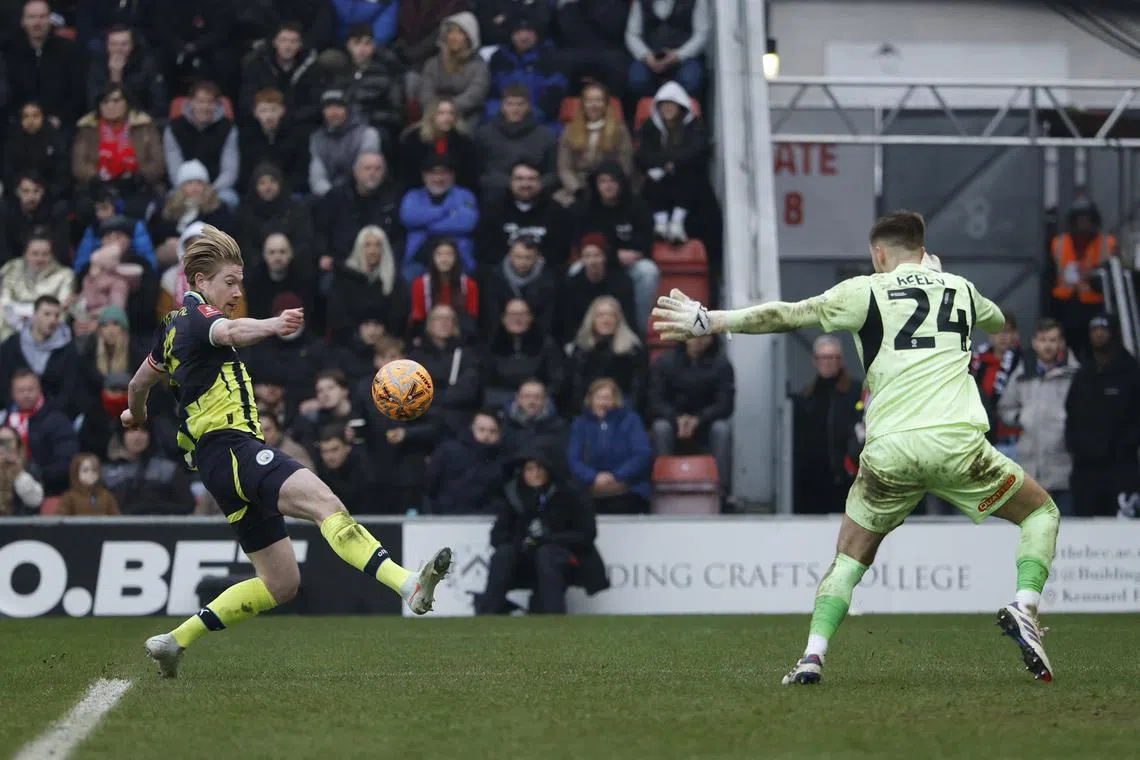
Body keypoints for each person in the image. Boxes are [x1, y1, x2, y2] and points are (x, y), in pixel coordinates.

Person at [652, 210, 1062, 685]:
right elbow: (994, 319)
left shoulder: (866, 289)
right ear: (923, 249)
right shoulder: (961, 288)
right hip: (957, 443)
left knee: (848, 558)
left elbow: (787, 314)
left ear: (878, 253)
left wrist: (712, 320)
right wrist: (939, 275)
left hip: (889, 450)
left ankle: (812, 656)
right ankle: (1025, 604)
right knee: (1040, 513)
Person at [123, 224, 452, 679]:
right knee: (326, 505)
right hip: (234, 449)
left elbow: (139, 383)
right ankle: (407, 583)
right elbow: (232, 330)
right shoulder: (201, 320)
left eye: (240, 282)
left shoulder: (169, 330)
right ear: (200, 282)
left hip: (219, 467)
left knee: (281, 583)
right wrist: (275, 325)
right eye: (229, 282)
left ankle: (174, 641)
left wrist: (133, 415)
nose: (237, 291)